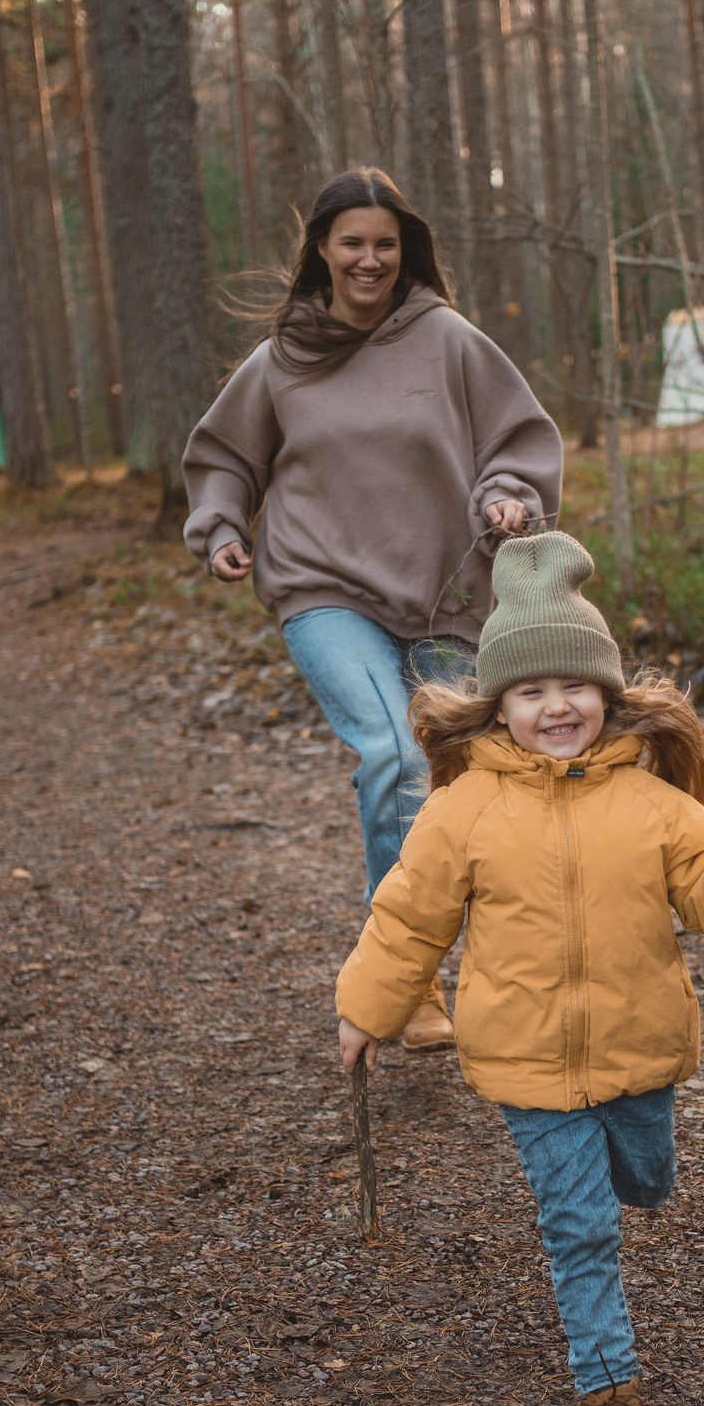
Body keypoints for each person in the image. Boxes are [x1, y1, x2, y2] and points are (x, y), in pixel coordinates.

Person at [331, 532, 704, 1406]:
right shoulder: (461, 813)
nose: (555, 707)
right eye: (529, 692)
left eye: (571, 687)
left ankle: (638, 1178)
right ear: (497, 705)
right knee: (580, 1230)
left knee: (646, 1181)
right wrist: (366, 1010)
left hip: (641, 1047)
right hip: (526, 1062)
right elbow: (409, 917)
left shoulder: (657, 802)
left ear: (606, 694)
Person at [184, 168, 563, 1053]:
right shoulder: (283, 357)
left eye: (384, 244)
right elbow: (226, 458)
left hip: (446, 596)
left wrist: (508, 496)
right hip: (324, 590)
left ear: (405, 251)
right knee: (393, 748)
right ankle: (409, 975)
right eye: (351, 242)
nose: (369, 259)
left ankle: (501, 967)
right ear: (320, 247)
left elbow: (515, 441)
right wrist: (219, 528)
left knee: (462, 784)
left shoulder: (450, 341)